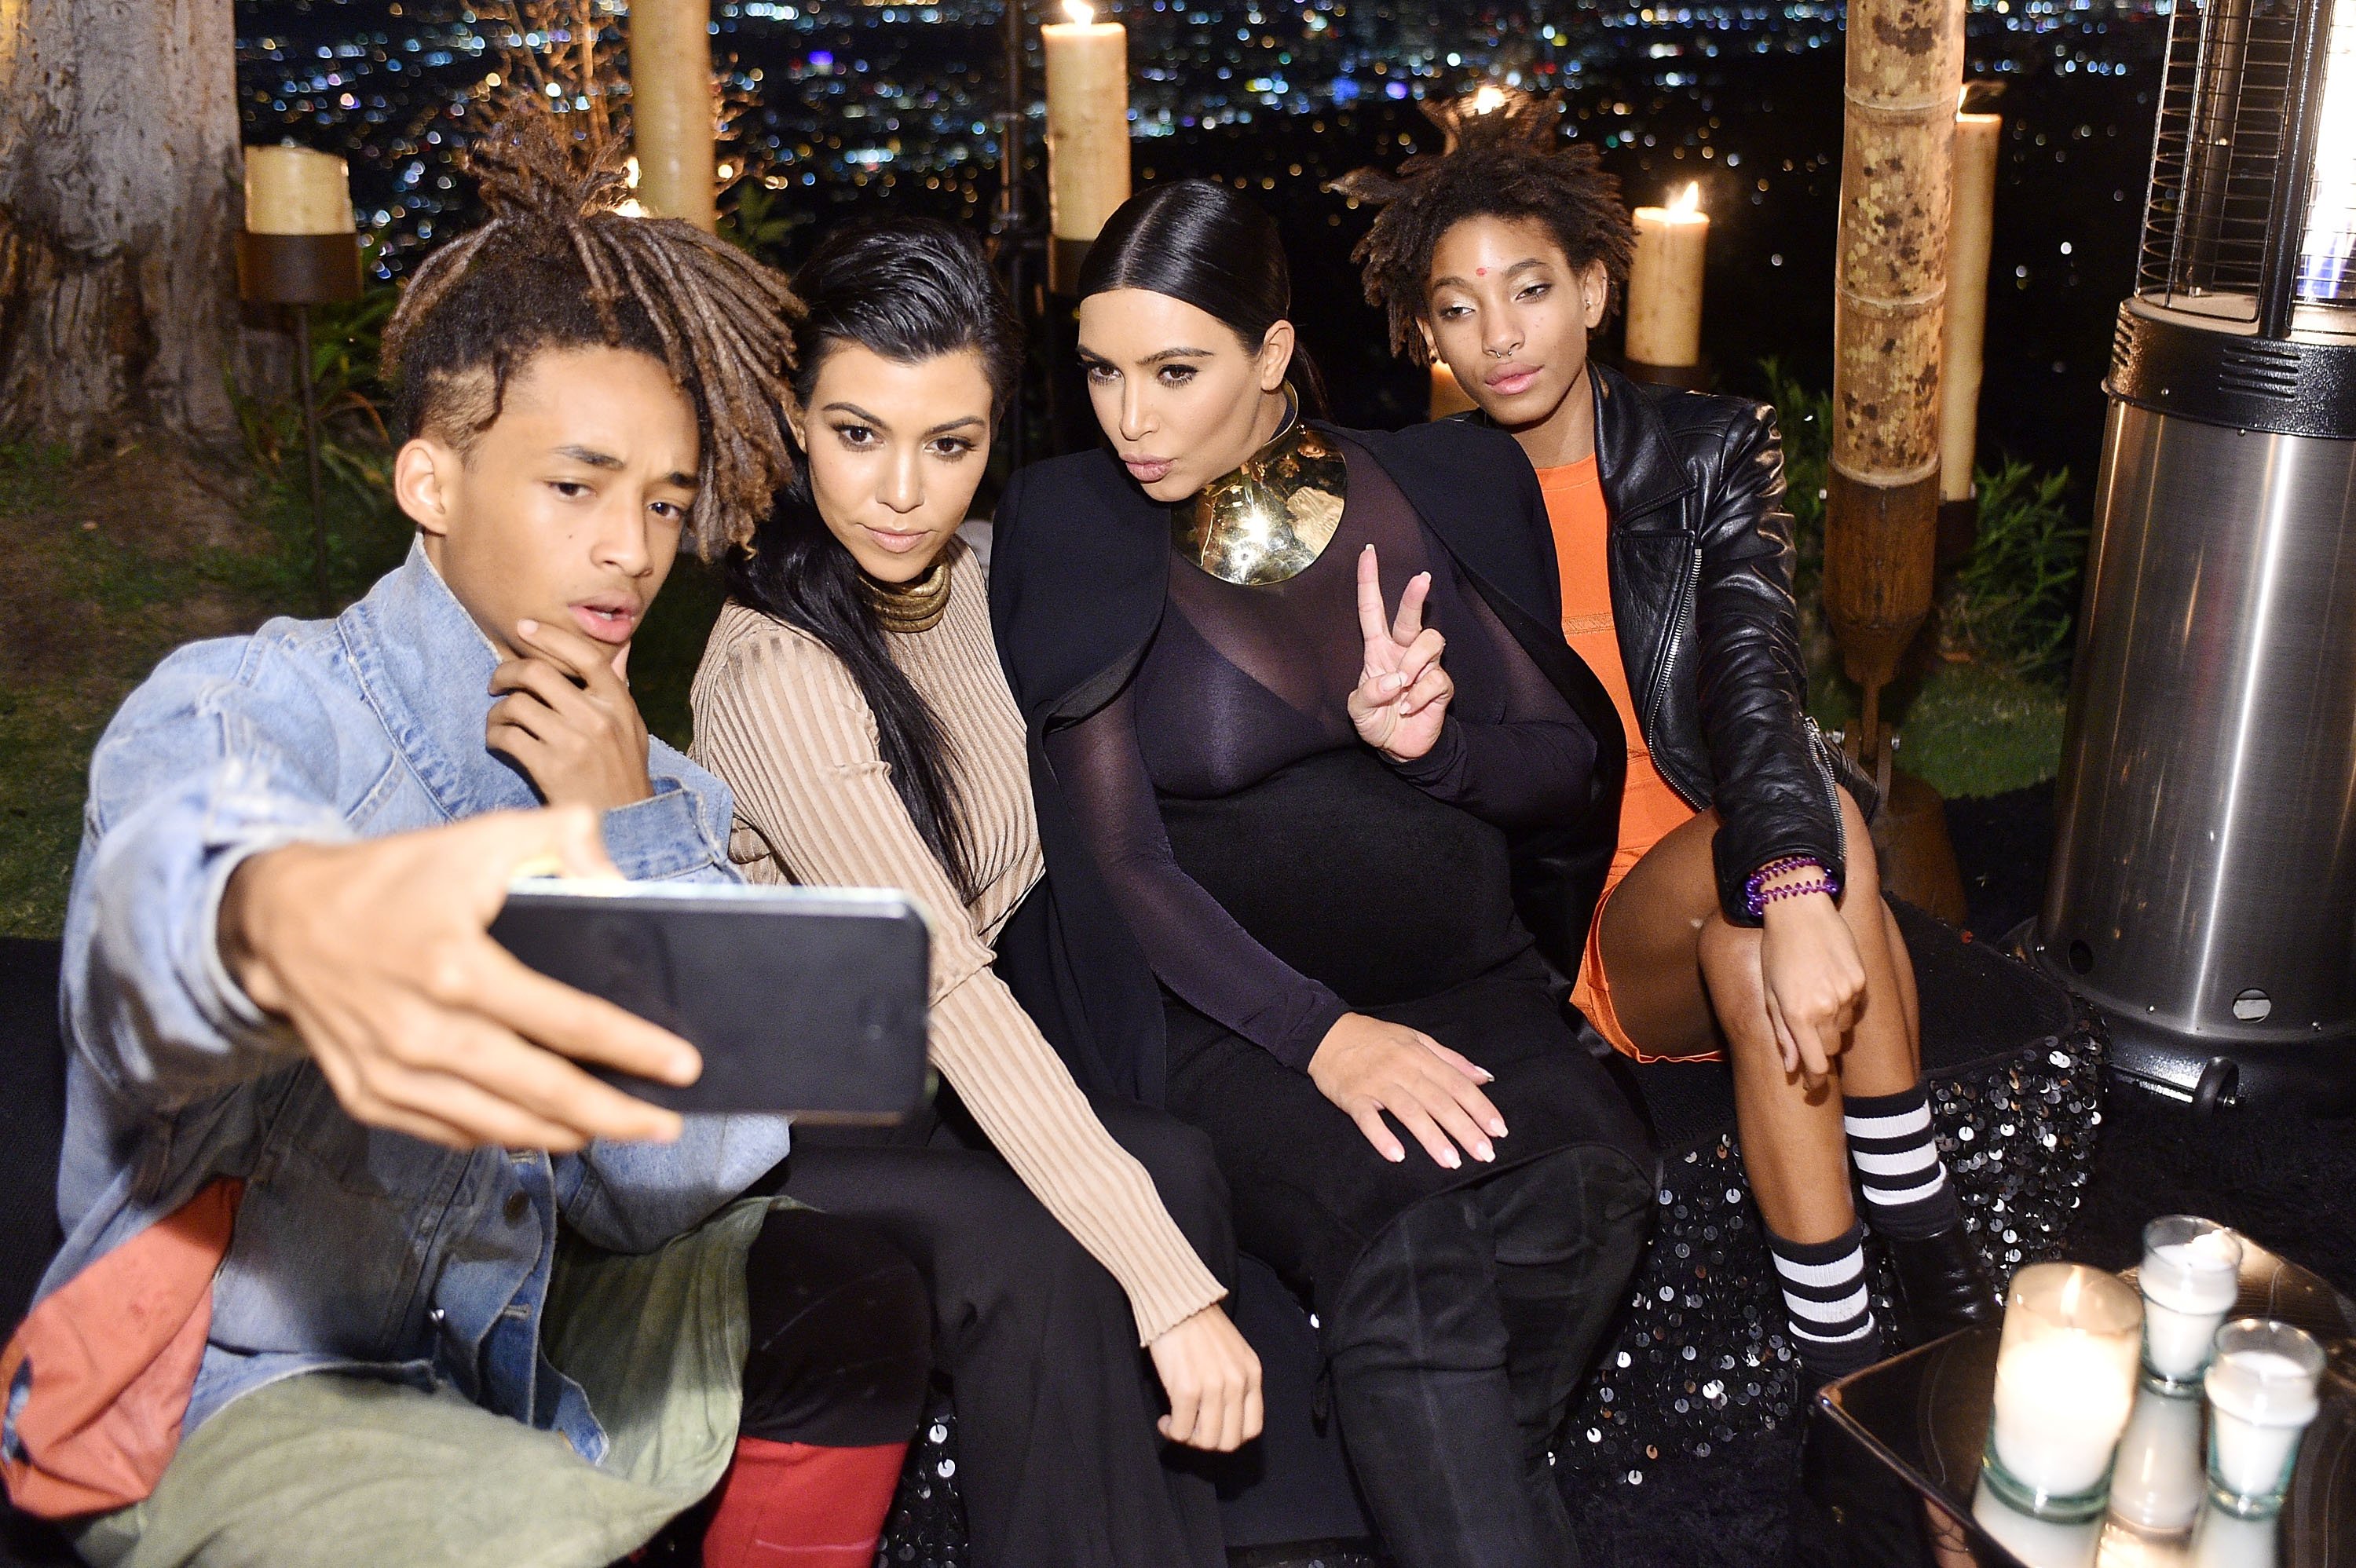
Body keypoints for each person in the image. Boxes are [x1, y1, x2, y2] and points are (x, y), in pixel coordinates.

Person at [0, 107, 931, 1568]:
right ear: (431, 485)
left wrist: (619, 835)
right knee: (524, 1519)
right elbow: (151, 922)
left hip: (501, 1365)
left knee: (854, 1285)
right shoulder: (258, 705)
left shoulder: (665, 792)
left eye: (665, 503)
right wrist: (289, 922)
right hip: (237, 1392)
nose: (631, 547)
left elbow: (669, 1185)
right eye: (577, 486)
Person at [989, 178, 1656, 1568]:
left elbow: (1561, 772)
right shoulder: (1076, 524)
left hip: (1460, 980)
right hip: (1223, 1016)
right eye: (1104, 372)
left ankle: (1428, 1474)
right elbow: (1119, 860)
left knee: (1588, 1185)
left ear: (1275, 356)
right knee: (1405, 1255)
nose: (1132, 417)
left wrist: (1438, 750)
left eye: (1176, 372)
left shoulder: (1448, 483)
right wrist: (1326, 1038)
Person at [1330, 90, 1997, 1382]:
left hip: (1742, 878)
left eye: (1527, 289)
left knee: (1764, 934)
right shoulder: (1412, 494)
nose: (1498, 335)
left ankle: (1845, 1368)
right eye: (1457, 309)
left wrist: (1788, 889)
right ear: (1428, 330)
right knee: (1810, 819)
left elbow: (1752, 682)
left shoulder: (1710, 450)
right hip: (1593, 929)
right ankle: (1934, 1238)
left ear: (1593, 287)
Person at [690, 217, 1260, 1568]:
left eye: (948, 445)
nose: (902, 491)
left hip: (929, 1092)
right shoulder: (780, 672)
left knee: (1173, 1163)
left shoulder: (993, 579)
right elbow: (943, 980)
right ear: (792, 422)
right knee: (1054, 1260)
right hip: (779, 1123)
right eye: (857, 434)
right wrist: (1172, 1295)